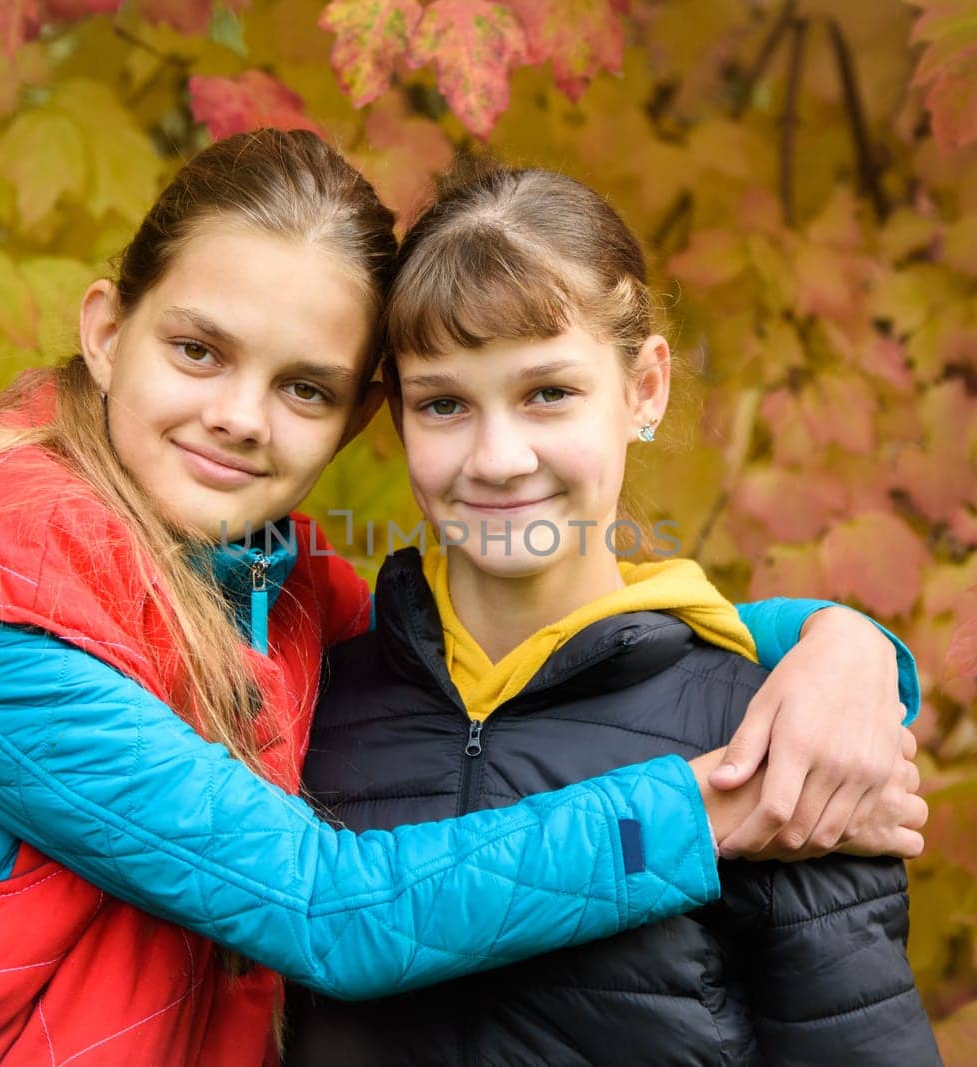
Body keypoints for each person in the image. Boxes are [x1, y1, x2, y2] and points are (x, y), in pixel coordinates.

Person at [0, 131, 920, 1067]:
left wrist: (838, 646)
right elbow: (328, 908)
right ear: (107, 327)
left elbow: (544, 648)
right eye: (199, 350)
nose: (237, 416)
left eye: (305, 388)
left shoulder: (246, 582)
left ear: (351, 416)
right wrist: (717, 803)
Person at [289, 163, 938, 1064]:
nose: (500, 457)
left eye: (548, 392)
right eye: (445, 404)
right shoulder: (314, 699)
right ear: (397, 418)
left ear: (644, 388)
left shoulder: (767, 730)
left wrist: (851, 640)